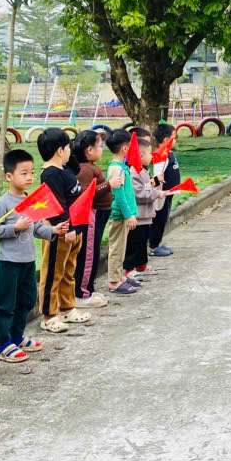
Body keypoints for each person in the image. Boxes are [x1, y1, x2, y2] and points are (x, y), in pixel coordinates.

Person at [0, 149, 58, 362]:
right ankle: (3, 344)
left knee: (27, 300)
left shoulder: (30, 200)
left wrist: (54, 231)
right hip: (8, 262)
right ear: (9, 176)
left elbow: (37, 227)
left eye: (32, 172)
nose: (29, 177)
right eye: (24, 173)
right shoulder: (3, 203)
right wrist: (15, 228)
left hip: (28, 261)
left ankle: (17, 337)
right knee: (5, 304)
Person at [37, 129, 89, 333]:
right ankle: (49, 315)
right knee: (53, 273)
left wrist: (70, 152)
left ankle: (67, 307)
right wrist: (66, 226)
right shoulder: (50, 174)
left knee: (68, 270)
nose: (71, 151)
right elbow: (56, 203)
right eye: (68, 147)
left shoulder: (64, 169)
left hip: (75, 228)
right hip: (60, 229)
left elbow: (75, 167)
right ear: (60, 150)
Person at [72, 130, 113, 307]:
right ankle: (82, 294)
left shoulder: (90, 167)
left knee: (94, 253)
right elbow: (88, 194)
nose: (102, 149)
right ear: (89, 150)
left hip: (99, 214)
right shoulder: (85, 170)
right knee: (88, 255)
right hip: (91, 215)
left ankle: (88, 288)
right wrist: (109, 184)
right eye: (99, 146)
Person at [121, 129, 164, 280]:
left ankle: (141, 265)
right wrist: (156, 194)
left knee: (142, 243)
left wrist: (157, 183)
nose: (152, 157)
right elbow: (139, 194)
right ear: (140, 156)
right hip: (137, 216)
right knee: (134, 243)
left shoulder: (144, 171)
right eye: (149, 153)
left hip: (146, 216)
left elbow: (148, 187)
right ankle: (129, 268)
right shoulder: (133, 172)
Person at [105, 131, 141, 295]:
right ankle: (114, 281)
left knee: (122, 247)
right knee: (117, 249)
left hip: (123, 215)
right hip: (119, 215)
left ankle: (120, 277)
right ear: (125, 149)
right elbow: (119, 196)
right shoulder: (115, 169)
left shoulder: (121, 167)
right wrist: (128, 214)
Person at [149, 123, 180, 257]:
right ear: (167, 140)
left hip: (169, 193)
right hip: (162, 194)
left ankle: (157, 243)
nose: (176, 140)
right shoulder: (161, 156)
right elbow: (158, 176)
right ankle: (153, 247)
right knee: (159, 220)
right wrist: (157, 195)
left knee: (164, 218)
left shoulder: (168, 153)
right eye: (175, 137)